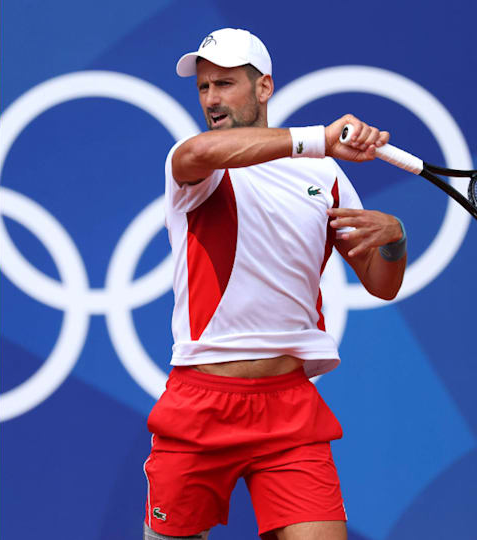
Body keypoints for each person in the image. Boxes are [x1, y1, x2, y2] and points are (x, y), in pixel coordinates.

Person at [142, 28, 406, 540]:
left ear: (263, 87)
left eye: (224, 84)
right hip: (200, 403)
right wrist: (318, 138)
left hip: (289, 408)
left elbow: (381, 284)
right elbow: (200, 152)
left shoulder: (324, 175)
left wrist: (394, 239)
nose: (211, 99)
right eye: (203, 88)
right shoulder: (196, 163)